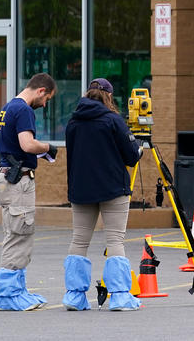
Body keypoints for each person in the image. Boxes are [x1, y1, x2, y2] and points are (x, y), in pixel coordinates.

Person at [61, 77, 144, 311]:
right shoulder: (113, 120)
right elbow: (130, 156)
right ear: (109, 96)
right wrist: (137, 151)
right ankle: (119, 296)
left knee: (79, 240)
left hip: (81, 189)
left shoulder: (73, 122)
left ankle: (74, 297)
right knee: (115, 240)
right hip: (113, 188)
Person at [0, 72, 58, 311]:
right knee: (20, 234)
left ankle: (18, 290)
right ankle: (9, 295)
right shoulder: (24, 110)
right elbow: (27, 144)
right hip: (18, 180)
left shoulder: (9, 107)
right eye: (47, 99)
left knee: (15, 231)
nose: (45, 104)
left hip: (6, 177)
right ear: (41, 91)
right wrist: (49, 148)